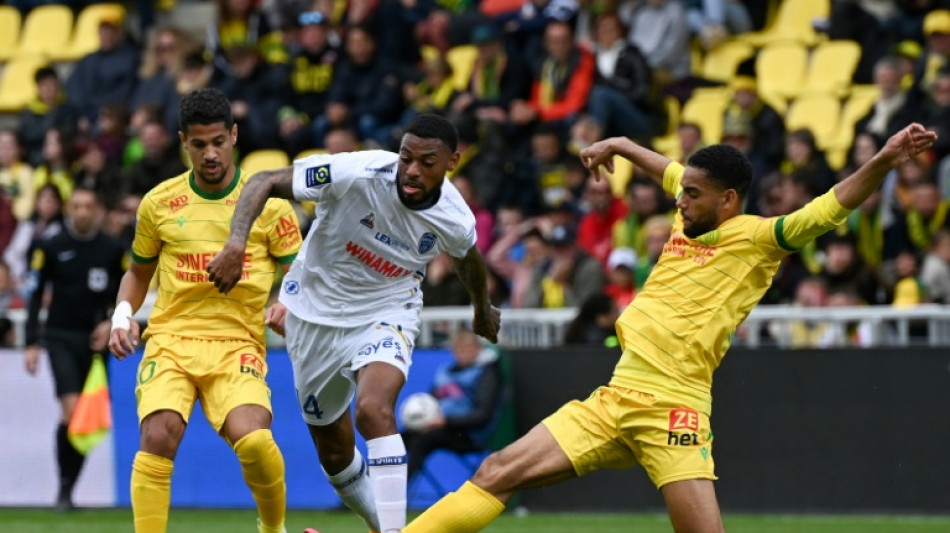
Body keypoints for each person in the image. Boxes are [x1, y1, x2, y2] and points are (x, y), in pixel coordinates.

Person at [400, 122, 937, 533]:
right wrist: (618, 143)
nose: (680, 201)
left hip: (674, 408)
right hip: (614, 398)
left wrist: (887, 158)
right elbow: (668, 169)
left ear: (728, 200)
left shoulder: (759, 239)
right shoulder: (691, 210)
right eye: (683, 193)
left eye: (694, 195)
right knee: (496, 470)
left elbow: (828, 209)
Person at [206, 113, 501, 533]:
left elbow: (467, 259)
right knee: (334, 454)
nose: (413, 170)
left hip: (387, 311)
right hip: (313, 316)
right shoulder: (356, 172)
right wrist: (236, 243)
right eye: (406, 158)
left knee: (373, 410)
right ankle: (383, 525)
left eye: (428, 162)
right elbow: (264, 181)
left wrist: (481, 307)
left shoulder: (454, 217)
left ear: (453, 161)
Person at [107, 88, 302, 533]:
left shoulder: (270, 204)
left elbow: (300, 271)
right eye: (199, 144)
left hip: (237, 342)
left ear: (234, 136)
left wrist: (286, 301)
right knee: (157, 435)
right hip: (172, 339)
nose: (210, 153)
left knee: (254, 441)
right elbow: (138, 274)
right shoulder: (159, 202)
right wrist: (121, 315)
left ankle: (273, 529)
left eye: (218, 141)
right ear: (183, 142)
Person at [23, 186, 125, 511]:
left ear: (96, 210)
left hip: (96, 341)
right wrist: (30, 342)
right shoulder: (52, 246)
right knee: (70, 410)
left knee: (87, 418)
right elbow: (36, 295)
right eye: (76, 206)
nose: (82, 212)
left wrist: (111, 322)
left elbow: (125, 294)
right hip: (60, 336)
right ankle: (65, 489)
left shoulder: (112, 249)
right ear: (69, 209)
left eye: (87, 206)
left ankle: (69, 487)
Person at [402, 328, 504, 482]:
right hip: (440, 427)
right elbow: (430, 401)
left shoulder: (486, 374)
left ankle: (399, 492)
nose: (464, 354)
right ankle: (375, 488)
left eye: (469, 349)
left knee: (422, 441)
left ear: (478, 349)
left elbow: (483, 416)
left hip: (468, 435)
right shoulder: (445, 373)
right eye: (460, 350)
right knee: (400, 438)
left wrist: (446, 421)